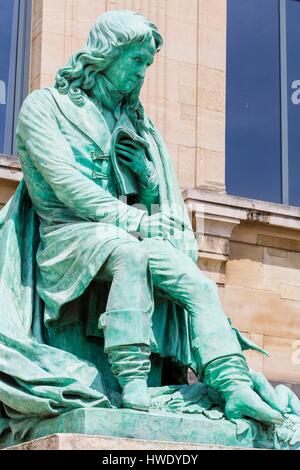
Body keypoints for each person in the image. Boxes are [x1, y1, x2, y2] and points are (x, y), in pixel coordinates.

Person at [1, 11, 295, 434]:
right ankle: (133, 383)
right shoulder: (45, 108)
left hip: (121, 231)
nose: (143, 72)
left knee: (196, 283)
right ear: (105, 55)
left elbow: (157, 200)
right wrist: (132, 219)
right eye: (136, 61)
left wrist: (150, 181)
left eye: (147, 63)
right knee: (130, 254)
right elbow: (65, 183)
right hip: (66, 236)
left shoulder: (133, 121)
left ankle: (233, 385)